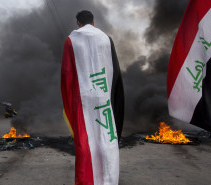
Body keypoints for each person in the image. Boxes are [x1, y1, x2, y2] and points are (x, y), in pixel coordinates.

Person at [61, 10, 124, 185]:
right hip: (104, 98)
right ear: (93, 22)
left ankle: (86, 180)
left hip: (83, 101)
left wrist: (68, 101)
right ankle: (109, 179)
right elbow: (116, 71)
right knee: (107, 140)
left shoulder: (71, 40)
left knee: (85, 142)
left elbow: (67, 74)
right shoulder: (106, 38)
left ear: (78, 23)